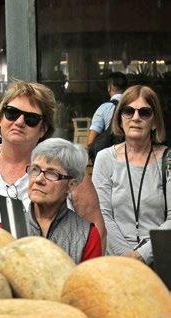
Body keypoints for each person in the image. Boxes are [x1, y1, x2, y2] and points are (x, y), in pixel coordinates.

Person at [0, 80, 106, 241]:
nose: (19, 122)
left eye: (31, 118)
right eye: (12, 113)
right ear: (0, 117)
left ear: (43, 128)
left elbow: (96, 234)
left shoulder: (69, 170)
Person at [92, 85, 169, 265]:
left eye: (145, 112)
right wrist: (127, 258)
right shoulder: (105, 158)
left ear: (155, 122)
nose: (135, 118)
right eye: (128, 111)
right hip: (116, 263)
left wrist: (142, 255)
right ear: (120, 118)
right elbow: (102, 214)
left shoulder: (169, 160)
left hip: (159, 260)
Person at [26, 138, 101, 262]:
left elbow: (89, 275)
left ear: (71, 184)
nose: (39, 179)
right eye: (35, 169)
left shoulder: (88, 235)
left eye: (52, 173)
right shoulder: (7, 226)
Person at [86, 71, 127, 149]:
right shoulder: (134, 107)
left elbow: (90, 142)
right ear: (126, 89)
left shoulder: (104, 108)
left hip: (109, 152)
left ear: (109, 88)